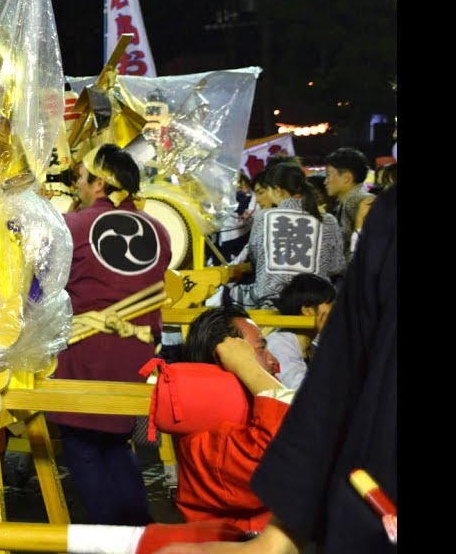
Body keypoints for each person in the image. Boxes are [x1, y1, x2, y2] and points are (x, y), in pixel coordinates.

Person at [154, 184, 396, 554]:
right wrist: (251, 370)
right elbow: (281, 433)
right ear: (225, 362)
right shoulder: (210, 440)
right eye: (260, 349)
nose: (273, 362)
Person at [49, 143, 172, 526]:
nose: (77, 185)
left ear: (99, 182)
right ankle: (140, 531)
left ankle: (113, 540)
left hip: (87, 351)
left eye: (80, 177)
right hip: (137, 355)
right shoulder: (159, 230)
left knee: (83, 445)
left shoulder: (74, 227)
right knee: (115, 442)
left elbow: (46, 286)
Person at [172, 304, 290, 531]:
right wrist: (247, 366)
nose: (274, 360)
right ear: (226, 357)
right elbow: (292, 449)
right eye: (261, 349)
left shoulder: (241, 414)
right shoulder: (205, 438)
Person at [226, 163, 344, 308]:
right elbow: (337, 266)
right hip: (316, 303)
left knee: (231, 295)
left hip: (271, 303)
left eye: (267, 190)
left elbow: (256, 258)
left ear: (278, 190)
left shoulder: (264, 217)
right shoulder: (328, 220)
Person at [265, 273, 336, 389]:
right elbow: (303, 390)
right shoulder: (279, 345)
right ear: (307, 311)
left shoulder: (311, 349)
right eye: (331, 304)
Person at [322, 147, 373, 262]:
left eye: (328, 175)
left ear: (346, 178)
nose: (325, 181)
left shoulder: (358, 201)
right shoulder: (351, 200)